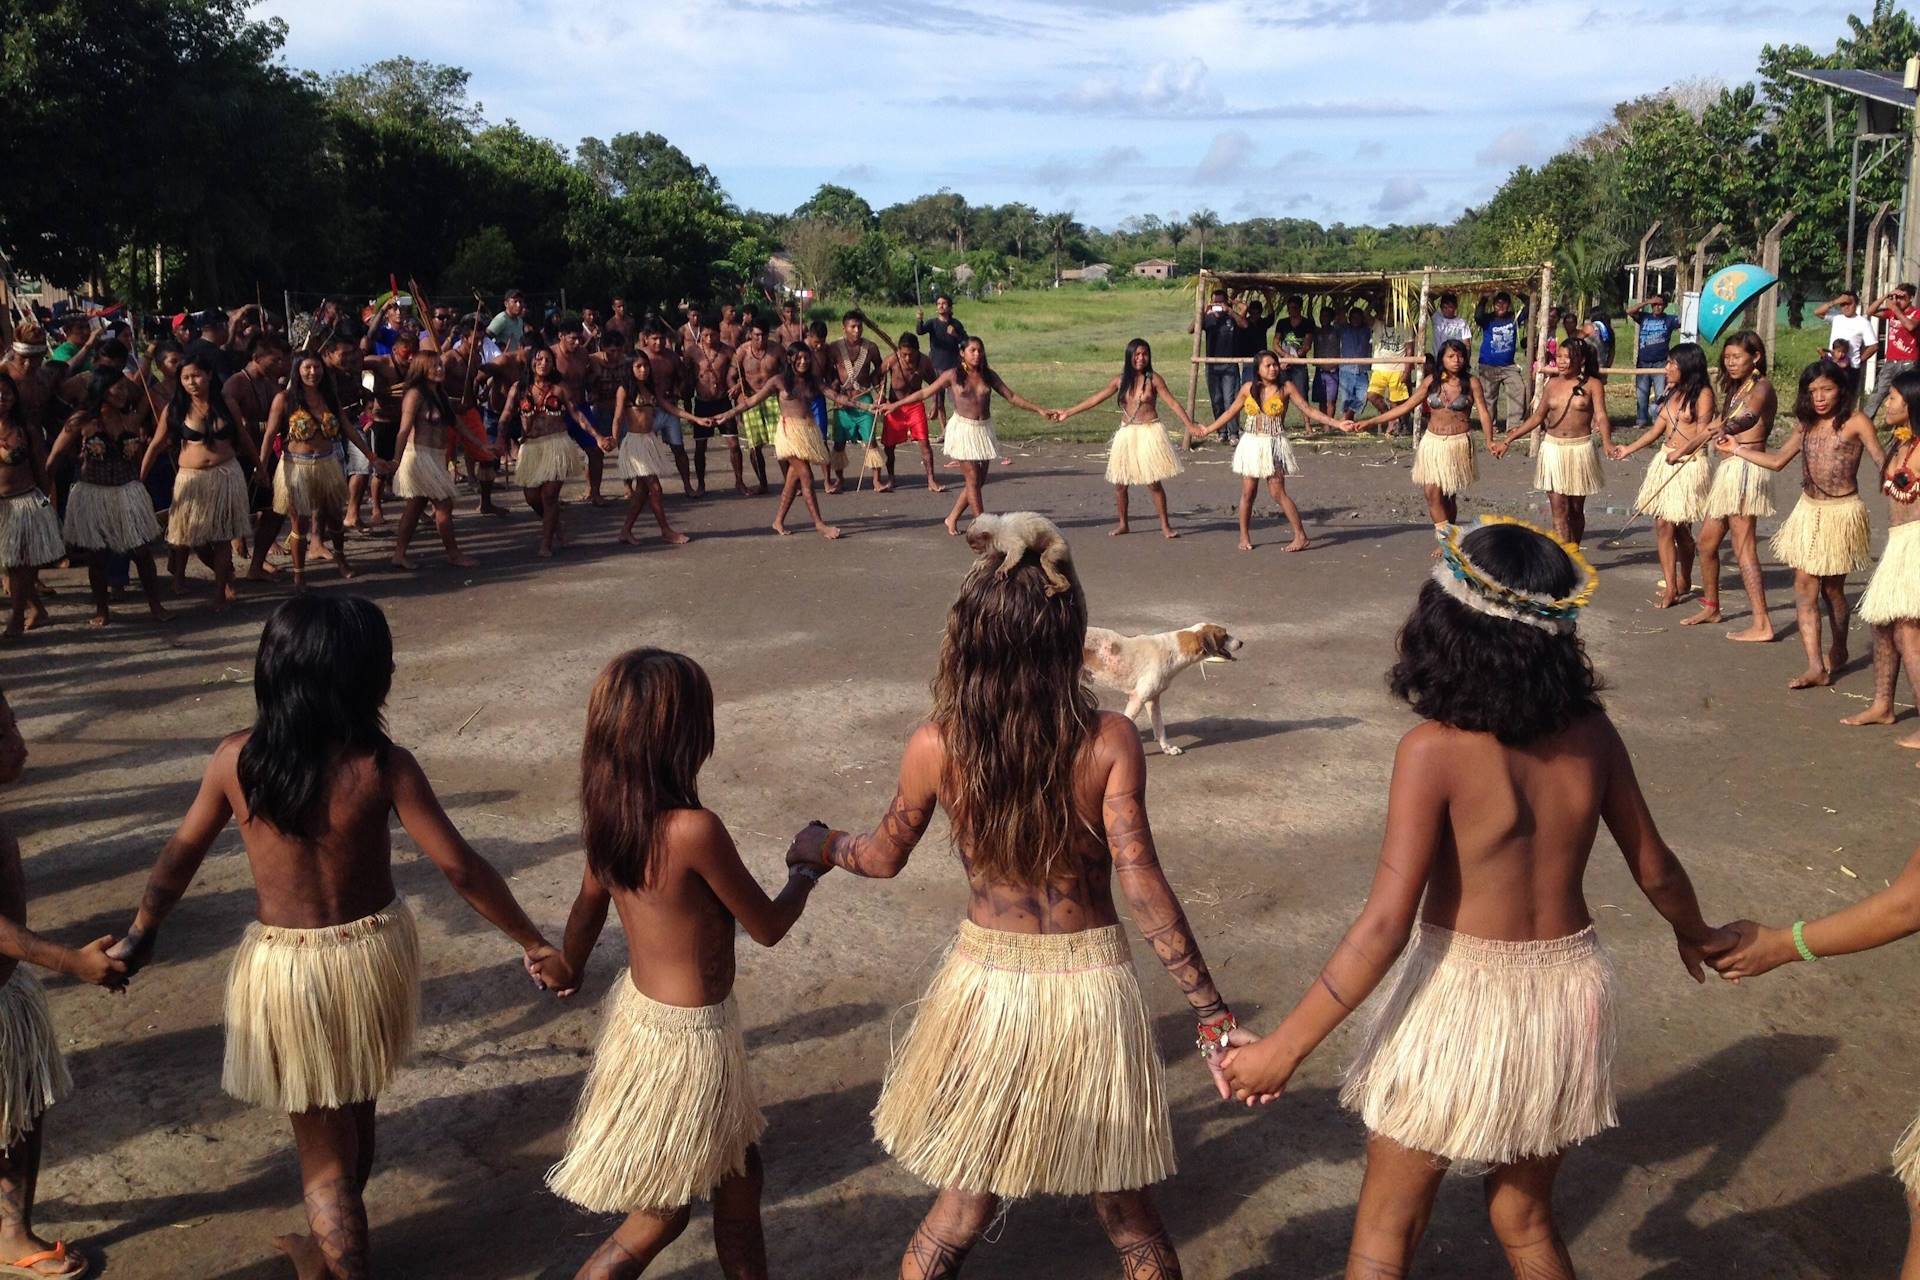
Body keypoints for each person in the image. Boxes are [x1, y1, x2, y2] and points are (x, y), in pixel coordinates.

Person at [1219, 516, 1726, 1280]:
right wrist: (1698, 933)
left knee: (1388, 1225)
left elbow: (1384, 927)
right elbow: (1654, 868)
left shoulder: (1432, 753)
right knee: (1524, 1218)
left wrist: (1281, 1050)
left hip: (1460, 996)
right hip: (1570, 992)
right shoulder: (1593, 735)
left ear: (1445, 630)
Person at [787, 519, 1243, 1277]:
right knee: (1128, 1215)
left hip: (986, 988)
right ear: (1069, 637)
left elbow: (882, 854)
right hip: (1089, 986)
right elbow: (1142, 881)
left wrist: (822, 846)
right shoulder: (1108, 740)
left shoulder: (938, 743)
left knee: (961, 1208)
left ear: (969, 638)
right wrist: (1211, 1015)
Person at [109, 595, 569, 1280]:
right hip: (370, 956)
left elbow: (179, 856)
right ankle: (328, 1255)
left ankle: (333, 1261)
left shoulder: (237, 761)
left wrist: (142, 931)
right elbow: (460, 867)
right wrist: (532, 941)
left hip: (286, 970)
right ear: (366, 679)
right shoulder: (383, 765)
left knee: (323, 1148)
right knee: (355, 1115)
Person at [547, 649, 817, 1278]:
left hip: (645, 1027)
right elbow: (768, 927)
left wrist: (568, 966)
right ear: (684, 738)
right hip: (691, 1043)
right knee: (661, 1214)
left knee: (739, 1178)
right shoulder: (695, 830)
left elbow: (586, 910)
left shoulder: (610, 823)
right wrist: (807, 869)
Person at [0, 687, 127, 1278]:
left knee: (18, 1114)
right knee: (12, 1121)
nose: (19, 742)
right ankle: (10, 1235)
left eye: (13, 723)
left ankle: (8, 1228)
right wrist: (71, 962)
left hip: (5, 994)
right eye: (1, 734)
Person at [1717, 357, 1885, 689]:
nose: (1819, 397)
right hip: (1808, 511)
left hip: (1842, 513)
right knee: (1804, 587)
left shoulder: (1856, 421)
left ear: (1841, 390)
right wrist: (1737, 450)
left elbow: (1882, 461)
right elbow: (1778, 460)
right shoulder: (1805, 424)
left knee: (1833, 590)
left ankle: (1839, 646)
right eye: (1812, 391)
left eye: (1827, 389)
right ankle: (1815, 666)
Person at [873, 337, 1053, 535]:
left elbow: (1011, 396)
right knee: (973, 479)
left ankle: (952, 518)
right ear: (962, 353)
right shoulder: (952, 375)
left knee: (978, 481)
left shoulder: (988, 375)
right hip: (962, 430)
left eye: (979, 350)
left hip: (983, 430)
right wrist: (895, 405)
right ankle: (982, 527)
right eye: (972, 350)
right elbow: (924, 392)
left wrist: (1040, 410)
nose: (977, 354)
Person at [43, 373, 170, 627]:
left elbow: (139, 456)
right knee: (97, 556)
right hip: (94, 493)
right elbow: (55, 455)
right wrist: (45, 488)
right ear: (101, 391)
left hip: (127, 492)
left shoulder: (131, 420)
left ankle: (156, 606)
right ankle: (102, 609)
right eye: (117, 388)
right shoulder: (81, 421)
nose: (123, 393)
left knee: (142, 552)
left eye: (125, 388)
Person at [709, 344, 864, 540]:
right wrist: (728, 414)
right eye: (799, 358)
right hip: (789, 434)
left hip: (807, 431)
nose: (803, 362)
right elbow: (751, 401)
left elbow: (836, 396)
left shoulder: (813, 381)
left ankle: (778, 521)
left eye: (806, 358)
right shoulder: (779, 381)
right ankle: (819, 524)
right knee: (806, 475)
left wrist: (866, 406)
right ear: (790, 359)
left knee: (792, 479)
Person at [143, 354, 259, 612]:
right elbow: (156, 445)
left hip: (225, 475)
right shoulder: (175, 408)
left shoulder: (226, 403)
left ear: (209, 375)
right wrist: (140, 478)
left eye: (196, 376)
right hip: (192, 479)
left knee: (222, 537)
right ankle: (225, 575)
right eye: (185, 378)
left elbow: (243, 436)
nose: (191, 382)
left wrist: (259, 467)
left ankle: (220, 592)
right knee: (194, 537)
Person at [1190, 350, 1340, 551]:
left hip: (1274, 443)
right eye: (1267, 365)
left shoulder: (1286, 387)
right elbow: (1230, 412)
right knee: (1248, 492)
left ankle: (1300, 536)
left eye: (1275, 365)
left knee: (1278, 492)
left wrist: (1338, 424)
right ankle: (1244, 536)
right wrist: (1208, 430)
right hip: (1251, 443)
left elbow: (1309, 410)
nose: (1273, 369)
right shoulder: (1248, 388)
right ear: (1258, 369)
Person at [1841, 368, 1920, 747]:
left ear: (1912, 404)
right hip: (1898, 544)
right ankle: (1882, 705)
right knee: (1881, 625)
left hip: (1916, 544)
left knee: (1909, 634)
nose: (1886, 403)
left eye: (1892, 398)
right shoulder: (1901, 442)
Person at [1052, 340, 1200, 539]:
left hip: (1149, 432)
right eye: (1137, 354)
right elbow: (1095, 399)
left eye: (1145, 354)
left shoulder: (1154, 380)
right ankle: (1123, 524)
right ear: (1129, 356)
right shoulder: (1120, 381)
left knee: (1153, 482)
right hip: (1126, 432)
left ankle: (1165, 526)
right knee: (1120, 483)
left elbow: (1173, 403)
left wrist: (1190, 425)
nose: (1141, 358)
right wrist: (1068, 412)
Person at [1686, 333, 1779, 640]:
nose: (1731, 363)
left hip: (1746, 468)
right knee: (1706, 542)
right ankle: (1712, 607)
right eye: (1727, 358)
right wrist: (1684, 449)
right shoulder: (1735, 389)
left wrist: (1725, 427)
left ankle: (1762, 623)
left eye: (1737, 357)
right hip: (1728, 470)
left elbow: (1749, 417)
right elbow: (1716, 426)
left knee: (1743, 546)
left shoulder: (1761, 387)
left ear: (1756, 357)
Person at [1354, 339, 1497, 532]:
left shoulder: (1471, 383)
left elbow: (1484, 413)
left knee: (1448, 495)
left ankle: (1450, 535)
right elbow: (1406, 406)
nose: (1456, 360)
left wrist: (1489, 441)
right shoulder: (1431, 382)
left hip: (1458, 443)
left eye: (1460, 356)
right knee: (1431, 492)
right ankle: (1445, 539)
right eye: (1451, 356)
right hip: (1432, 443)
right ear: (1442, 359)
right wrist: (1371, 422)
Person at [1613, 343, 1716, 610]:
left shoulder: (1703, 394)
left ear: (1687, 366)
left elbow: (1704, 435)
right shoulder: (1671, 392)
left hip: (1688, 465)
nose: (1666, 368)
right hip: (1665, 460)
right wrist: (1628, 449)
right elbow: (1656, 430)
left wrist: (1681, 452)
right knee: (1663, 525)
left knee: (1681, 529)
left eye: (1672, 364)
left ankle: (1684, 578)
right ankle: (1671, 587)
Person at [1495, 338, 1611, 547]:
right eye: (1559, 356)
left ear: (1581, 359)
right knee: (1559, 509)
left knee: (1575, 510)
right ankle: (1566, 556)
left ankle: (1574, 550)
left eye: (1568, 357)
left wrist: (1607, 442)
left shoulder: (1593, 384)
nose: (1562, 361)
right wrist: (1508, 439)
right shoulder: (1552, 384)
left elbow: (1601, 416)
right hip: (1553, 449)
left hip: (1579, 449)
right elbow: (1537, 417)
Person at [499, 347, 608, 559]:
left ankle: (546, 543)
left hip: (556, 445)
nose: (543, 363)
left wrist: (597, 436)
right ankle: (556, 526)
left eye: (548, 360)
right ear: (531, 362)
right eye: (539, 359)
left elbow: (577, 415)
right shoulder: (519, 388)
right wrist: (498, 440)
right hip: (531, 447)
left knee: (549, 496)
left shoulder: (560, 388)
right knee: (532, 497)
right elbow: (506, 414)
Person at [387, 353, 479, 571]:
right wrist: (395, 461)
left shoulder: (439, 393)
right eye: (434, 366)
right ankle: (453, 554)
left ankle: (399, 554)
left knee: (415, 506)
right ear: (421, 369)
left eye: (440, 365)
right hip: (419, 456)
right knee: (444, 505)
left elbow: (457, 424)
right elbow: (404, 430)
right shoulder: (415, 394)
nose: (440, 369)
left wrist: (481, 445)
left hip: (436, 457)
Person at [610, 355, 694, 547]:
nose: (643, 370)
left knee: (642, 491)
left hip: (649, 441)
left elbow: (670, 408)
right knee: (655, 488)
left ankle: (625, 531)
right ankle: (666, 531)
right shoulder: (624, 389)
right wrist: (614, 439)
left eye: (646, 366)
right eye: (638, 366)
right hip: (635, 444)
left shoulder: (650, 388)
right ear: (630, 368)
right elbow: (618, 417)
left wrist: (695, 419)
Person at [0, 375, 58, 639]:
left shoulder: (26, 430)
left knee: (18, 565)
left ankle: (16, 618)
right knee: (10, 565)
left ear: (15, 397)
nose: (1, 398)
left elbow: (42, 469)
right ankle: (37, 608)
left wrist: (46, 503)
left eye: (6, 393)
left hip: (24, 503)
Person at [824, 310, 884, 493]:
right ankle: (840, 479)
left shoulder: (871, 348)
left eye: (859, 326)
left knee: (871, 441)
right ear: (844, 328)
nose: (857, 330)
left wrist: (880, 392)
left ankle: (877, 481)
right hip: (843, 400)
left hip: (864, 399)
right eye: (853, 327)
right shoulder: (834, 348)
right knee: (839, 443)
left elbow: (880, 371)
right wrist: (835, 388)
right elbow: (828, 372)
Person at [879, 334, 943, 493]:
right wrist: (881, 395)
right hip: (894, 406)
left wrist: (935, 404)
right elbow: (876, 376)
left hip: (915, 406)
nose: (907, 358)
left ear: (917, 351)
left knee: (924, 443)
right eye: (904, 354)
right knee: (889, 446)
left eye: (911, 354)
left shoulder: (924, 362)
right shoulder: (892, 360)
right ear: (899, 351)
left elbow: (935, 384)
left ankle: (931, 480)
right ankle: (891, 478)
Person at [726, 320, 783, 496]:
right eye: (756, 335)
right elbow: (730, 376)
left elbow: (788, 374)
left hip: (772, 398)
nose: (760, 339)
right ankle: (763, 484)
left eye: (763, 335)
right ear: (750, 334)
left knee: (781, 443)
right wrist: (738, 390)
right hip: (750, 398)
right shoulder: (741, 352)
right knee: (754, 445)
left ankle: (790, 482)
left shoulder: (777, 350)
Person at [688, 325, 735, 498]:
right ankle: (701, 484)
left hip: (722, 402)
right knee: (700, 447)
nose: (709, 339)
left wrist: (737, 386)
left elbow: (738, 374)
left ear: (719, 334)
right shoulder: (692, 352)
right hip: (702, 403)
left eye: (713, 335)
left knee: (734, 445)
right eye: (706, 335)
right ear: (701, 334)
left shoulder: (728, 351)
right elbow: (687, 381)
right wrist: (688, 410)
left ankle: (739, 481)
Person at [1191, 288, 1246, 429]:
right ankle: (1221, 431)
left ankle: (1233, 432)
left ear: (1226, 302)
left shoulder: (1231, 317)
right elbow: (1191, 329)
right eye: (1216, 302)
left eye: (1221, 302)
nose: (1218, 305)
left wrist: (1229, 311)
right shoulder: (1208, 318)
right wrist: (1203, 312)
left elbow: (1244, 324)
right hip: (1212, 365)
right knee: (1216, 400)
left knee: (1230, 400)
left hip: (1229, 364)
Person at [1626, 294, 1682, 429]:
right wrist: (1647, 302)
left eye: (1660, 304)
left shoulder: (1669, 320)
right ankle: (1641, 420)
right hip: (1643, 362)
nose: (1657, 307)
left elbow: (1684, 321)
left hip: (1660, 363)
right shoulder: (1644, 317)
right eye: (1655, 304)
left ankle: (1659, 421)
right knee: (1641, 394)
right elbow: (1629, 311)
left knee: (1660, 394)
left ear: (1665, 306)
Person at [1473, 291, 1529, 428]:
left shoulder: (1514, 318)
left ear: (1508, 305)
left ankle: (1514, 425)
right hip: (1488, 365)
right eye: (1498, 304)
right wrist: (1484, 299)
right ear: (1493, 305)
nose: (1501, 306)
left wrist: (1518, 293)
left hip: (1508, 366)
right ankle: (1489, 425)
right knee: (1489, 396)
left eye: (1504, 304)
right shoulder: (1488, 319)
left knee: (1518, 389)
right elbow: (1478, 317)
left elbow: (1531, 305)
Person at [1867, 284, 1920, 416]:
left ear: (1911, 298)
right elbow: (1870, 311)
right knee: (1877, 394)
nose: (1898, 301)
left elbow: (1910, 326)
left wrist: (1895, 309)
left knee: (1907, 395)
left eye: (1902, 297)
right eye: (1896, 297)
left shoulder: (1916, 313)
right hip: (1891, 361)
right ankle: (1866, 422)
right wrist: (1886, 296)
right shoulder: (1891, 312)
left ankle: (1907, 423)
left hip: (1909, 362)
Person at [916, 294, 969, 424]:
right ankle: (944, 429)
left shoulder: (956, 324)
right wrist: (919, 319)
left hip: (953, 367)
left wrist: (955, 335)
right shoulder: (932, 323)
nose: (941, 306)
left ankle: (960, 426)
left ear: (950, 308)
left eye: (944, 303)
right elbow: (920, 331)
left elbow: (966, 342)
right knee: (939, 402)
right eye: (939, 304)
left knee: (957, 400)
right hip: (936, 366)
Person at [1271, 295, 1318, 416]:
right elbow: (1275, 343)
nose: (1291, 310)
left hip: (1299, 365)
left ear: (1300, 308)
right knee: (1281, 395)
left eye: (1294, 308)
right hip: (1284, 364)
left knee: (1302, 396)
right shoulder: (1282, 323)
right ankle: (1280, 422)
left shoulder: (1307, 323)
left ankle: (1307, 424)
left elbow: (1307, 345)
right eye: (1289, 308)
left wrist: (1294, 358)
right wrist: (1285, 356)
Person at [1815, 291, 1881, 377]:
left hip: (1849, 368)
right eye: (1843, 304)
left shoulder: (1863, 322)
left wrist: (1858, 361)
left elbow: (1874, 346)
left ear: (1856, 304)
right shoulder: (1837, 318)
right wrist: (1835, 301)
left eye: (1849, 303)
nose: (1846, 307)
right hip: (1831, 363)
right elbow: (1817, 312)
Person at [1334, 304, 1373, 422]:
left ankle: (1345, 419)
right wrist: (1348, 302)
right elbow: (1340, 314)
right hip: (1346, 370)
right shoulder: (1344, 329)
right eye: (1353, 317)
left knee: (1363, 397)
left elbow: (1371, 316)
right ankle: (1348, 422)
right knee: (1346, 399)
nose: (1356, 320)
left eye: (1358, 317)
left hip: (1362, 370)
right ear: (1349, 319)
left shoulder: (1367, 329)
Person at [1312, 305, 1342, 418]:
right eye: (1322, 316)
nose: (1323, 318)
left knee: (1331, 400)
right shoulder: (1317, 331)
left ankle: (1329, 423)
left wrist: (1337, 302)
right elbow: (1309, 317)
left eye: (1326, 316)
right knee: (1322, 400)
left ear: (1331, 318)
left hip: (1333, 371)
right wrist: (1311, 301)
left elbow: (1341, 315)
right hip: (1320, 371)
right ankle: (1324, 423)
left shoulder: (1336, 331)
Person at [488, 289, 530, 353]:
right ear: (506, 304)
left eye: (520, 302)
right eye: (515, 302)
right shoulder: (501, 319)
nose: (518, 305)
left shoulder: (520, 320)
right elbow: (486, 337)